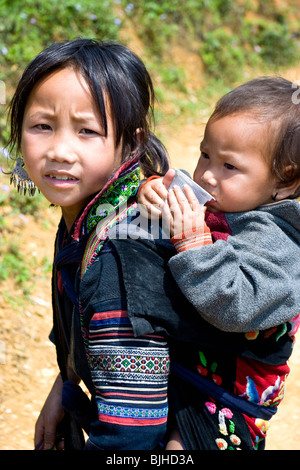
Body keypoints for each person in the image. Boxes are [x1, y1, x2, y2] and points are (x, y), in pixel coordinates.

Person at [7, 38, 173, 450]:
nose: (60, 151)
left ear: (130, 144)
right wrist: (65, 383)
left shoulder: (119, 254)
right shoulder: (89, 218)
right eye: (42, 126)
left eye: (87, 131)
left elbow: (130, 433)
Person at [138, 77, 300, 450]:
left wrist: (194, 244)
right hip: (184, 371)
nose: (207, 174)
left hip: (227, 402)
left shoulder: (282, 241)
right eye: (205, 154)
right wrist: (152, 197)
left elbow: (237, 305)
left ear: (286, 181)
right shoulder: (224, 203)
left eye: (229, 165)